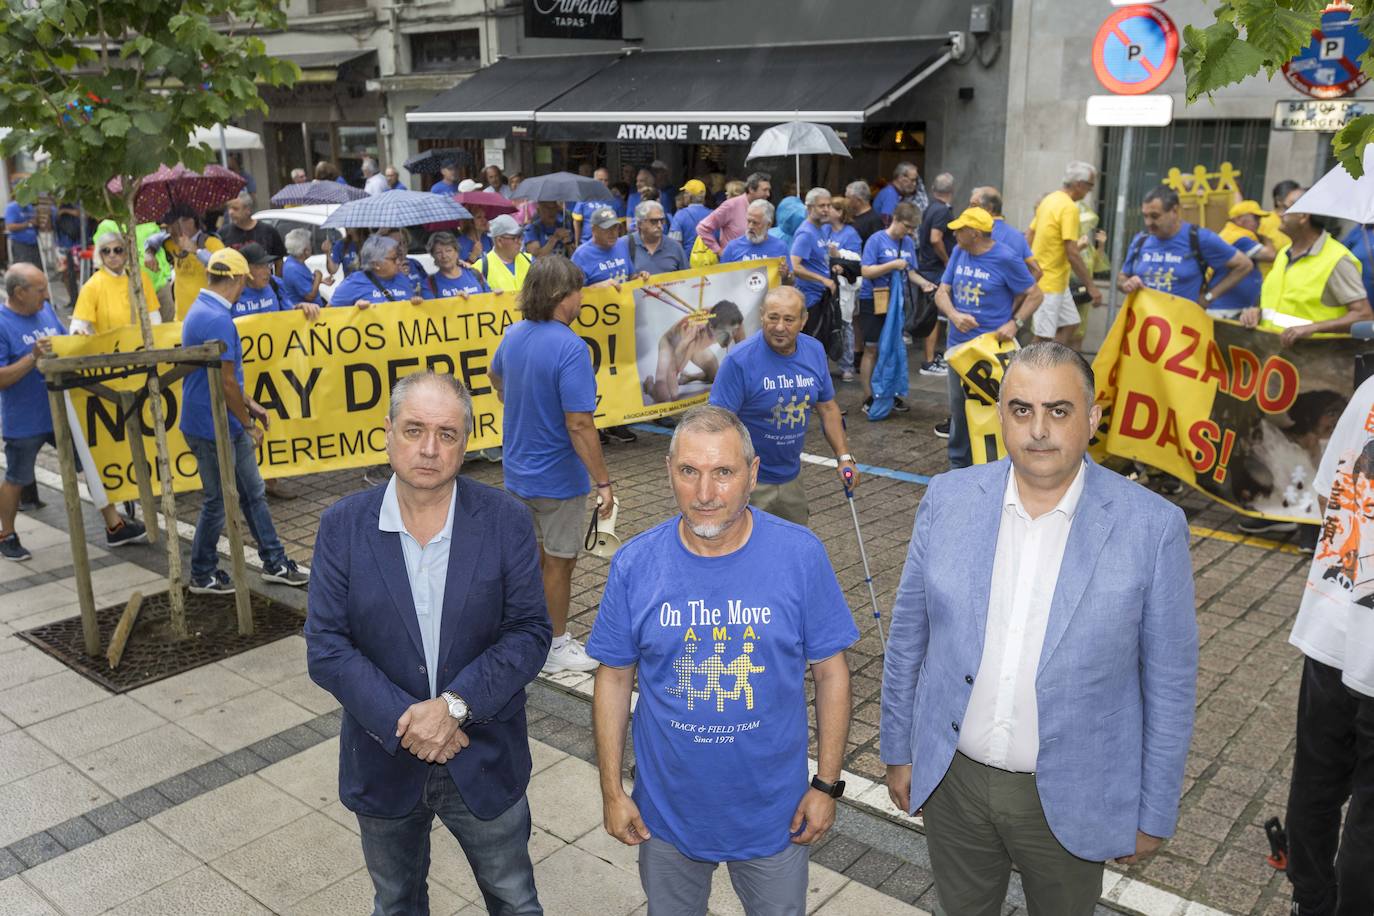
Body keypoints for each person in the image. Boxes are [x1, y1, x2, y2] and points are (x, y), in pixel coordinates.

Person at [881, 341, 1198, 916]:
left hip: (1074, 794)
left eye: (1059, 410)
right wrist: (899, 751)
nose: (1039, 429)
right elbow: (908, 640)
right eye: (1021, 410)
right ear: (1000, 414)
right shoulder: (947, 500)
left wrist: (1153, 811)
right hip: (955, 784)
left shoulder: (1152, 528)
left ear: (1093, 417)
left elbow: (1170, 684)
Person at [588, 404, 857, 916]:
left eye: (723, 473)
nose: (705, 494)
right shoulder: (635, 564)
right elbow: (614, 677)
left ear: (752, 475)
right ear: (669, 471)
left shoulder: (800, 556)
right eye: (689, 471)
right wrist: (611, 790)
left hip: (775, 816)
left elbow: (831, 673)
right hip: (664, 817)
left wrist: (826, 784)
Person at [304, 371, 550, 916]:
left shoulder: (505, 520)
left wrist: (454, 708)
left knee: (514, 899)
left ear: (468, 442)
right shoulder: (342, 526)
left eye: (447, 434)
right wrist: (412, 721)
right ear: (388, 432)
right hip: (384, 759)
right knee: (396, 902)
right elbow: (326, 645)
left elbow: (531, 632)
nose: (429, 449)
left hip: (484, 756)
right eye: (414, 429)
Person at [490, 255, 615, 674]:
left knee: (534, 561)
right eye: (579, 290)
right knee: (560, 563)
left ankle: (533, 633)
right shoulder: (571, 347)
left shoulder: (514, 334)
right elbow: (580, 423)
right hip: (559, 479)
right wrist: (604, 481)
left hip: (519, 471)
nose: (583, 298)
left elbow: (495, 378)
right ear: (564, 296)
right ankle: (554, 646)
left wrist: (519, 402)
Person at [1280, 371, 1374, 915]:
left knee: (1315, 784)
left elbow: (1325, 496)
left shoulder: (1369, 392)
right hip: (1347, 642)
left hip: (1333, 626)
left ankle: (1310, 902)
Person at [1236, 184, 1374, 540]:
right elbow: (1277, 310)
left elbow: (1362, 312)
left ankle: (1314, 524)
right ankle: (1280, 509)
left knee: (1314, 446)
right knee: (1280, 441)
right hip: (1280, 369)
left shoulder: (1335, 258)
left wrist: (1314, 328)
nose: (1277, 214)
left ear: (1304, 214)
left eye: (1283, 208)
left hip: (1318, 374)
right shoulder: (1284, 254)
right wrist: (1254, 313)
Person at [177, 248, 309, 592]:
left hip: (215, 418)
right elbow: (225, 381)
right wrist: (247, 420)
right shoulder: (217, 317)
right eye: (244, 282)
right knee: (220, 500)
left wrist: (248, 406)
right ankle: (203, 572)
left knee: (251, 492)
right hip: (213, 424)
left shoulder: (204, 309)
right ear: (236, 279)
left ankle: (274, 560)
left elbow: (222, 376)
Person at [0, 264, 147, 561]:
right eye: (40, 289)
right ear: (19, 293)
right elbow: (3, 378)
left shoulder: (45, 312)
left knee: (91, 464)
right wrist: (33, 357)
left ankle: (114, 526)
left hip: (66, 412)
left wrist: (78, 338)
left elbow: (66, 343)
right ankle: (7, 533)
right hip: (26, 419)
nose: (46, 294)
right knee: (17, 476)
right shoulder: (3, 323)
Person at [708, 286, 857, 526]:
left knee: (793, 548)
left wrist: (844, 457)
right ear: (761, 315)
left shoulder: (815, 351)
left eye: (789, 319)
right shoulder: (739, 360)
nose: (779, 327)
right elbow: (716, 424)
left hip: (792, 478)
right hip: (748, 481)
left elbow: (828, 408)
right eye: (773, 317)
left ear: (803, 320)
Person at [934, 207, 1043, 469]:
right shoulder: (960, 252)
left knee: (996, 411)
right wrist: (954, 314)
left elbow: (1036, 294)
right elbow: (941, 292)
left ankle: (999, 466)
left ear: (974, 233)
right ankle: (958, 468)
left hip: (990, 352)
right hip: (959, 349)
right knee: (959, 411)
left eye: (960, 230)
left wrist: (1014, 323)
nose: (955, 234)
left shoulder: (1006, 258)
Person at [1119, 186, 1254, 313]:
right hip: (1143, 326)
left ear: (1175, 211)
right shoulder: (1140, 241)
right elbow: (1122, 277)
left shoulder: (1200, 238)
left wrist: (1209, 297)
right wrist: (1126, 284)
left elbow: (1244, 265)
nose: (1148, 223)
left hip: (1181, 329)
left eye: (1155, 216)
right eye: (1145, 216)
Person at [857, 202, 935, 413]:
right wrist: (892, 265)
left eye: (912, 229)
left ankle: (889, 393)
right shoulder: (877, 240)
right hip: (873, 300)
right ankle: (868, 396)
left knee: (892, 348)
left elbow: (910, 271)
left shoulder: (907, 243)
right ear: (896, 220)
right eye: (907, 227)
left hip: (896, 304)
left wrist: (924, 284)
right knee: (872, 348)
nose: (909, 232)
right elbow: (866, 271)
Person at [1029, 162, 1102, 345]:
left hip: (1055, 280)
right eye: (1090, 186)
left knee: (1071, 323)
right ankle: (1024, 370)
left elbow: (1030, 233)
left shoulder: (1050, 199)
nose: (1089, 191)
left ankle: (1050, 363)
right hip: (1050, 282)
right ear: (1079, 184)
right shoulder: (1069, 208)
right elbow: (1072, 253)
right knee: (1042, 337)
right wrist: (1091, 287)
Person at [642, 300, 745, 404]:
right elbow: (674, 370)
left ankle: (690, 377)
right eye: (728, 333)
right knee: (662, 395)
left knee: (716, 377)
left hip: (697, 346)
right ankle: (649, 385)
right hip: (671, 345)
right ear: (711, 327)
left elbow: (742, 345)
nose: (732, 336)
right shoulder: (692, 334)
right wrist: (674, 396)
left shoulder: (727, 317)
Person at [70, 231, 162, 335]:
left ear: (126, 253)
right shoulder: (92, 285)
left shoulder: (140, 278)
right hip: (108, 348)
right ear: (100, 255)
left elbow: (154, 317)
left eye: (118, 250)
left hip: (140, 346)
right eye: (106, 251)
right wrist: (78, 332)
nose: (112, 255)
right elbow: (78, 324)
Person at [914, 172, 957, 377]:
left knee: (936, 314)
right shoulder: (941, 211)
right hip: (936, 268)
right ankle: (929, 361)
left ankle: (932, 357)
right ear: (952, 191)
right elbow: (935, 238)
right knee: (934, 314)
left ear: (933, 189)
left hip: (930, 266)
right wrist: (948, 260)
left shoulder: (931, 207)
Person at [158, 205, 224, 320]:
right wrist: (149, 251)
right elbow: (153, 240)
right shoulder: (172, 243)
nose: (171, 229)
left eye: (173, 224)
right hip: (181, 319)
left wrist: (196, 250)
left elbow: (223, 267)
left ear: (190, 221)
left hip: (208, 317)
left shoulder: (212, 243)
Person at [1209, 200, 1273, 316]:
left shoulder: (1230, 234)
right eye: (1256, 218)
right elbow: (1270, 255)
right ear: (1239, 220)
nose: (1259, 223)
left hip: (1231, 306)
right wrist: (1267, 237)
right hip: (1227, 308)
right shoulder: (1239, 238)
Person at [789, 188, 836, 338]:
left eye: (829, 205)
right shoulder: (806, 233)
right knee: (812, 343)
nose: (826, 210)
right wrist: (823, 279)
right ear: (809, 208)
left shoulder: (821, 228)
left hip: (822, 296)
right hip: (810, 299)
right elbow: (794, 266)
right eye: (822, 206)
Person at [329, 235, 425, 309]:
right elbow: (329, 315)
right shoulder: (353, 283)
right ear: (376, 264)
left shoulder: (403, 279)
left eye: (399, 257)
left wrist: (416, 305)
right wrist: (355, 311)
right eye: (394, 259)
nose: (399, 262)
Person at [972, 186, 1041, 282]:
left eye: (973, 206)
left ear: (989, 209)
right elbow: (1037, 271)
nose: (968, 210)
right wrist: (1023, 295)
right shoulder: (1017, 236)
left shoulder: (972, 234)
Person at [695, 172, 772, 254]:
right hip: (734, 263)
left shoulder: (765, 207)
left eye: (769, 190)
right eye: (764, 190)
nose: (768, 194)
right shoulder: (731, 205)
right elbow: (702, 228)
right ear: (751, 189)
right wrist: (719, 251)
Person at [571, 208, 638, 288]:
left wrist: (639, 278)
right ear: (593, 230)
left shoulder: (621, 244)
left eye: (615, 227)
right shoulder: (581, 255)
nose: (612, 233)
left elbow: (630, 275)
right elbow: (572, 292)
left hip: (623, 299)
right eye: (606, 229)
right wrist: (596, 287)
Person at [473, 215, 534, 293]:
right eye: (514, 238)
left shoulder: (530, 260)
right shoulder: (480, 268)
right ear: (499, 241)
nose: (520, 242)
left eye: (520, 237)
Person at [218, 193, 286, 262]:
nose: (230, 212)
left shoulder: (268, 231)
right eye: (229, 208)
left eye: (235, 209)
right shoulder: (223, 233)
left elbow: (279, 260)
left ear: (248, 210)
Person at [719, 200, 790, 266]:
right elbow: (722, 276)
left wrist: (786, 275)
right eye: (748, 221)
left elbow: (790, 278)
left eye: (755, 223)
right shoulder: (732, 247)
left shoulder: (780, 247)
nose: (750, 226)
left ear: (768, 224)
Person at [628, 201, 688, 275]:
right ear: (640, 223)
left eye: (662, 221)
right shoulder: (626, 245)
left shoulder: (675, 247)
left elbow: (687, 280)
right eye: (654, 221)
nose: (659, 225)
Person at [423, 232, 489, 299]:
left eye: (448, 250)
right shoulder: (430, 284)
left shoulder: (475, 274)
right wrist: (455, 302)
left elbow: (490, 298)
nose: (444, 256)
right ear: (433, 256)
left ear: (457, 252)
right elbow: (429, 308)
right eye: (438, 252)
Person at [1261, 179, 1301, 279]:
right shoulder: (1264, 222)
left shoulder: (1300, 221)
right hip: (1267, 278)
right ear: (1279, 201)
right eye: (1292, 200)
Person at [280, 228, 328, 306]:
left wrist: (319, 280)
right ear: (305, 250)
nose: (311, 247)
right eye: (309, 245)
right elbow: (310, 296)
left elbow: (302, 282)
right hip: (305, 313)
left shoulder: (292, 262)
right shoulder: (294, 269)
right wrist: (318, 277)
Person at [5, 198, 52, 268]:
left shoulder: (30, 207)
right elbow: (10, 227)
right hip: (20, 244)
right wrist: (28, 224)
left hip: (34, 243)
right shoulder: (12, 207)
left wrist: (39, 222)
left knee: (37, 268)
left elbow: (36, 224)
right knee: (24, 269)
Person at [669, 179, 712, 254]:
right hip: (710, 262)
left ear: (690, 196)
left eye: (685, 193)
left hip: (687, 262)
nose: (684, 196)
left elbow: (673, 244)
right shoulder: (713, 214)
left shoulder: (680, 215)